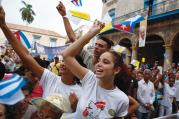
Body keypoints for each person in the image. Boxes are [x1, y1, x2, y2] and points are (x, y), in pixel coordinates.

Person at [0, 6, 81, 117]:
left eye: (68, 62)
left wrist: (76, 107)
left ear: (77, 68)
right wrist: (3, 25)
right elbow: (26, 56)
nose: (62, 63)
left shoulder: (81, 93)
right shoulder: (50, 78)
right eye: (63, 60)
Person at [61, 20, 129, 118]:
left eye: (105, 62)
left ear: (116, 70)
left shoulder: (122, 99)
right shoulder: (90, 78)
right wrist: (92, 32)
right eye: (99, 61)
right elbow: (67, 54)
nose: (98, 65)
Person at [56, 2, 114, 71]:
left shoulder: (107, 69)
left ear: (108, 50)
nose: (96, 47)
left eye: (101, 46)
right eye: (96, 44)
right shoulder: (88, 57)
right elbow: (73, 39)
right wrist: (64, 16)